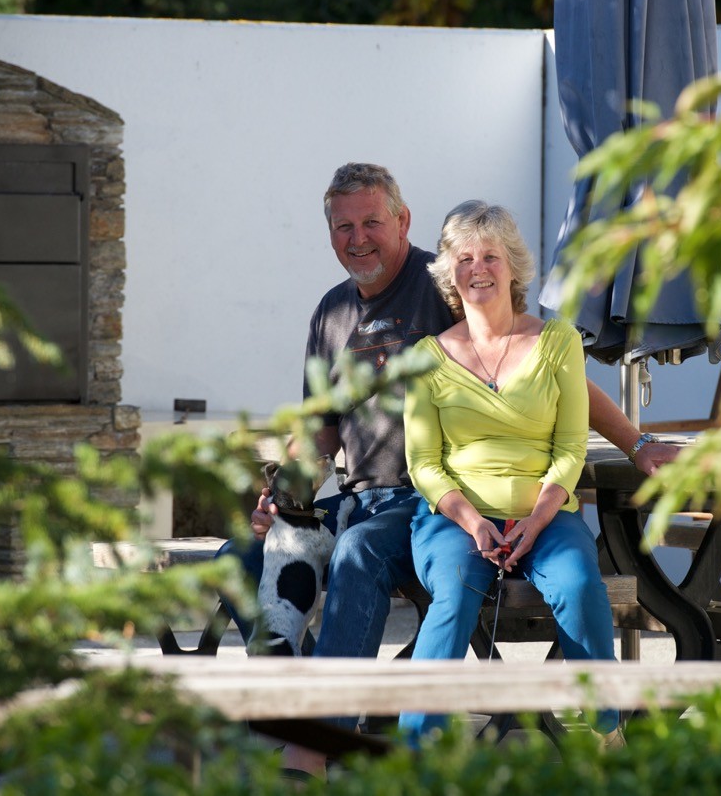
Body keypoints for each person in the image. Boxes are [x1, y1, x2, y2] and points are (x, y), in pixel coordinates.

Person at [221, 163, 675, 779]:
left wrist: (635, 441)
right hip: (363, 496)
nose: (358, 238)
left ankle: (319, 738)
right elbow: (323, 431)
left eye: (372, 222)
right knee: (243, 556)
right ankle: (302, 700)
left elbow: (549, 365)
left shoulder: (452, 279)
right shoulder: (330, 313)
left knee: (359, 555)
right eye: (343, 226)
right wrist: (283, 498)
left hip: (421, 499)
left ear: (403, 221)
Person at [397, 200, 622, 745]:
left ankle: (605, 731)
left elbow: (571, 446)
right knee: (451, 595)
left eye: (491, 256)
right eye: (466, 257)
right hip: (456, 520)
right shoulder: (425, 357)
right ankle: (415, 749)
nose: (479, 268)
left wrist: (539, 518)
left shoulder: (558, 343)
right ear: (450, 272)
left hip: (545, 512)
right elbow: (423, 464)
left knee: (579, 584)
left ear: (513, 266)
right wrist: (475, 524)